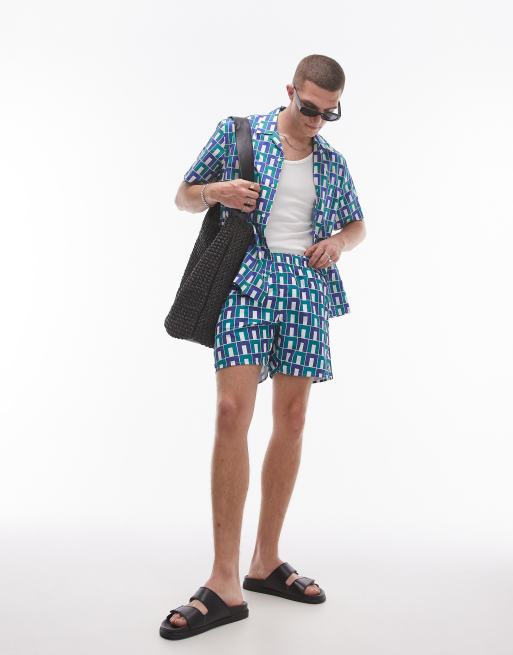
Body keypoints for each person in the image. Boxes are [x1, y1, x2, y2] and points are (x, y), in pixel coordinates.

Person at [160, 54, 366, 640]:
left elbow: (358, 225)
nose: (317, 121)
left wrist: (339, 243)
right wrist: (217, 191)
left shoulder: (332, 162)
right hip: (246, 280)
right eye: (310, 108)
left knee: (292, 419)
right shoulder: (239, 133)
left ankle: (265, 561)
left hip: (305, 285)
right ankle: (223, 579)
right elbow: (182, 196)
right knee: (232, 411)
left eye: (329, 114)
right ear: (290, 91)